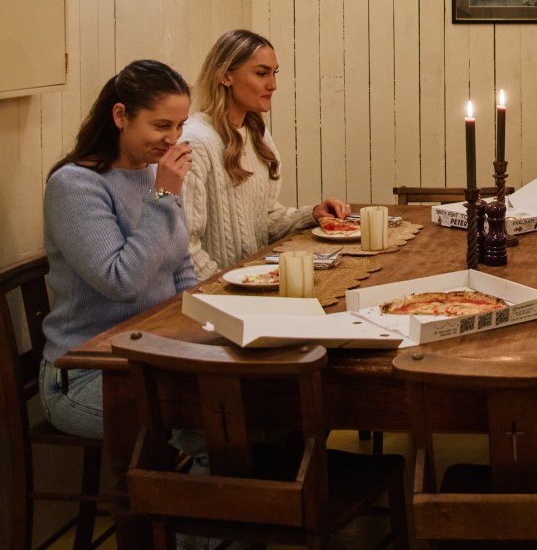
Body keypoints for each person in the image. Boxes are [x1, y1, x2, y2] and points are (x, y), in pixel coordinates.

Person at [39, 60, 198, 438]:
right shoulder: (75, 185)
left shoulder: (153, 172)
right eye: (161, 125)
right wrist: (163, 195)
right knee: (213, 426)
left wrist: (202, 330)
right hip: (85, 372)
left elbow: (180, 266)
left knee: (248, 407)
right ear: (121, 116)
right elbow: (122, 283)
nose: (173, 139)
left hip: (153, 355)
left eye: (179, 126)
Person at [181, 30, 351, 281]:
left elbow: (264, 222)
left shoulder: (257, 134)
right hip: (217, 295)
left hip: (253, 280)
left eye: (274, 73)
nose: (273, 85)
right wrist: (224, 287)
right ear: (225, 76)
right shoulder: (196, 140)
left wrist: (312, 214)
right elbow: (185, 245)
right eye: (261, 74)